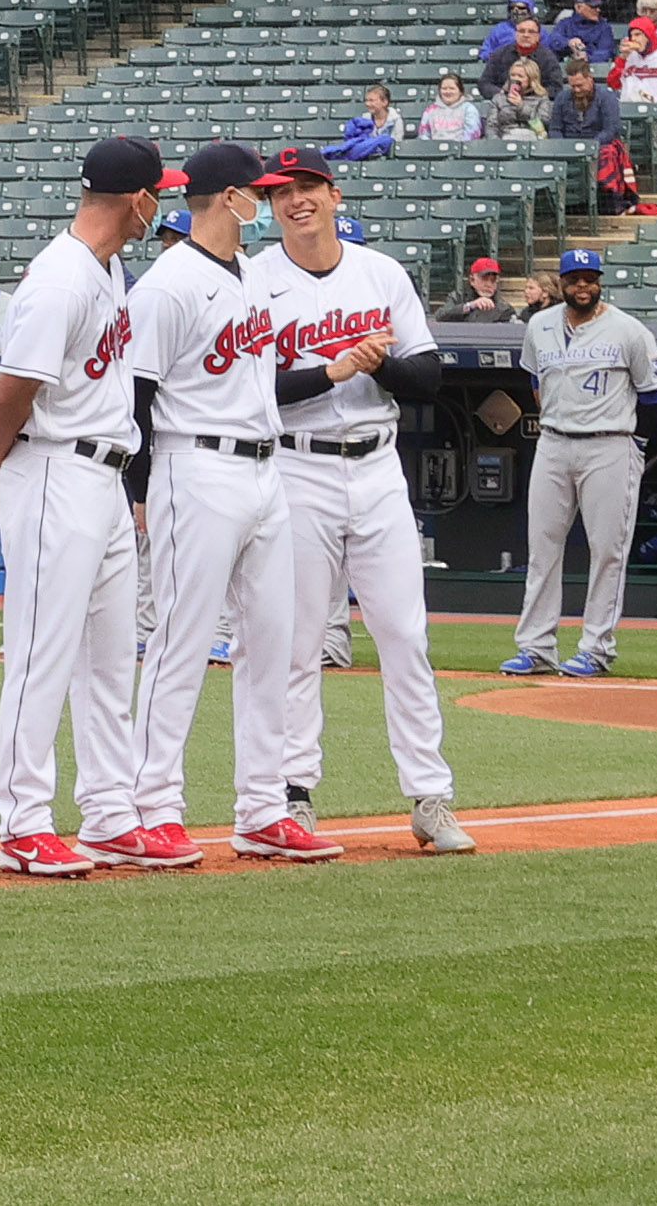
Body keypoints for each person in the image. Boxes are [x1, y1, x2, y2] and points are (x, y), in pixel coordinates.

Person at [236, 148, 465, 855]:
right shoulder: (252, 280)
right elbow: (249, 388)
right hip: (296, 467)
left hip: (374, 467)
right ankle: (292, 794)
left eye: (306, 187)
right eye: (280, 193)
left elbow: (426, 377)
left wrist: (379, 364)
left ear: (333, 194)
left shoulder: (379, 272)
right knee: (298, 641)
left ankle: (430, 797)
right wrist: (332, 369)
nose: (294, 201)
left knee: (403, 634)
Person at [0, 135, 155, 878]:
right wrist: (2, 452)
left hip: (101, 474)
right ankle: (21, 820)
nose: (157, 206)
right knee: (42, 651)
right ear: (136, 201)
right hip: (54, 469)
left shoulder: (105, 269)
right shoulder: (60, 278)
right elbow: (11, 387)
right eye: (154, 194)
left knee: (109, 658)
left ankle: (109, 813)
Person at [113, 147, 282, 872]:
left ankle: (264, 809)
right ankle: (151, 806)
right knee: (182, 640)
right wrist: (141, 491)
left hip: (264, 470)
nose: (266, 204)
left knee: (271, 645)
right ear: (228, 197)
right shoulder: (167, 283)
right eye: (257, 193)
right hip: (195, 464)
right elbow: (136, 399)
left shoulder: (251, 274)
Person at [498, 248, 657, 679]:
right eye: (576, 279)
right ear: (563, 283)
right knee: (542, 548)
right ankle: (536, 647)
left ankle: (596, 647)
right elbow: (535, 378)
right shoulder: (539, 325)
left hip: (610, 443)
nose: (584, 286)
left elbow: (654, 394)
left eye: (591, 278)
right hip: (553, 442)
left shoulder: (628, 330)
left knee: (607, 550)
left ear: (599, 281)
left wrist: (637, 442)